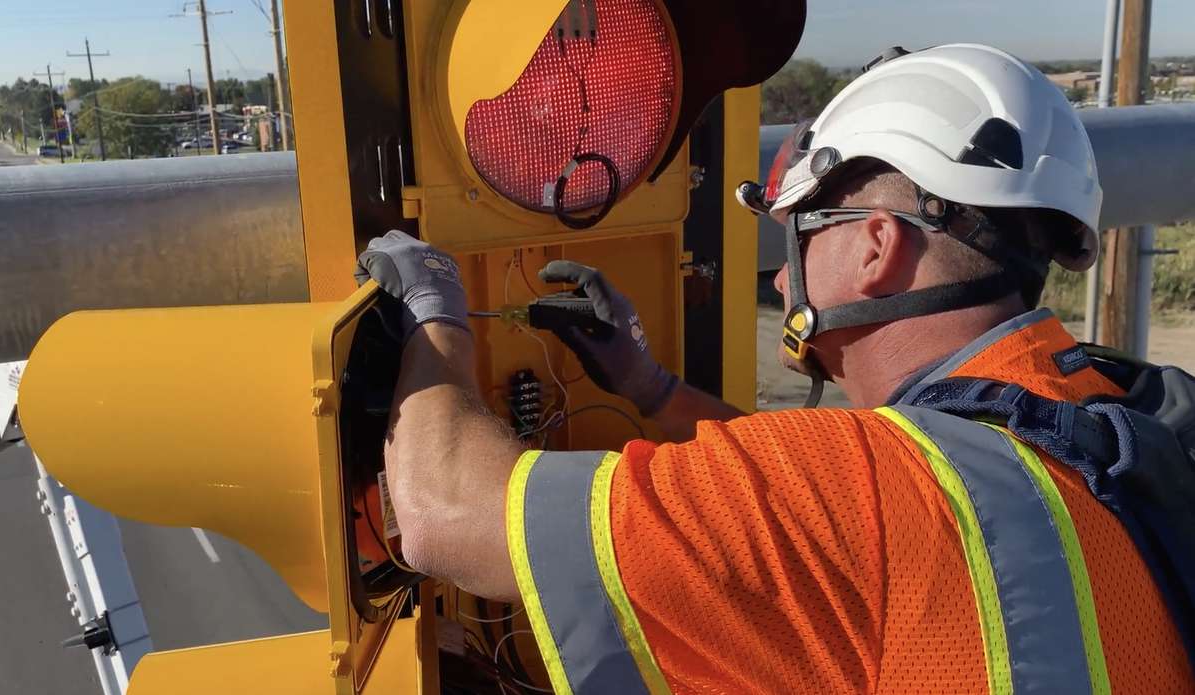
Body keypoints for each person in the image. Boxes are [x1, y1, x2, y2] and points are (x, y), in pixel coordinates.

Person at [358, 45, 1193, 693]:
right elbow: (846, 504)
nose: (786, 278)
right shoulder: (1106, 412)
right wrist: (650, 389)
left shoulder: (859, 492)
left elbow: (446, 513)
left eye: (803, 230)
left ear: (877, 245)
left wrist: (439, 315)